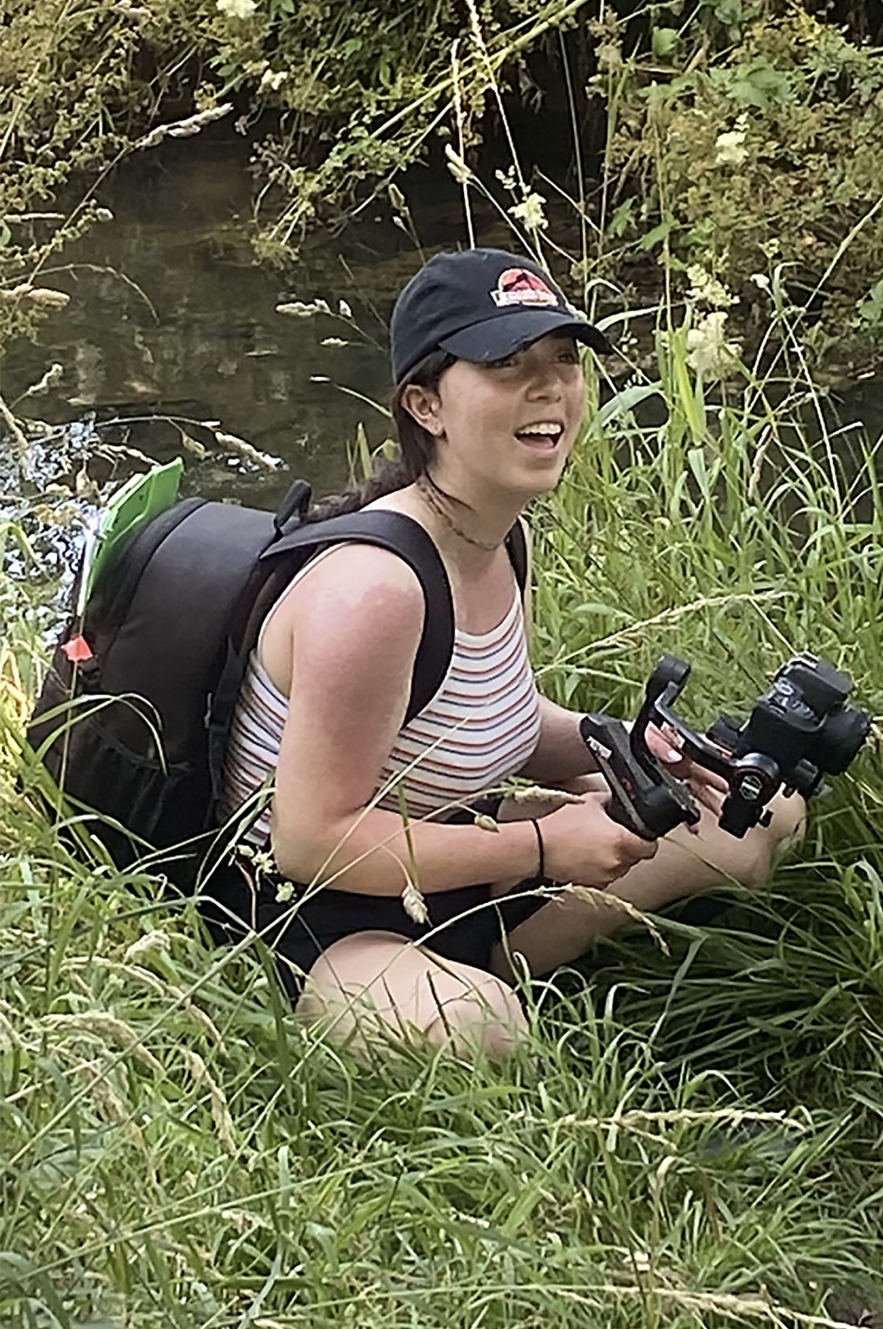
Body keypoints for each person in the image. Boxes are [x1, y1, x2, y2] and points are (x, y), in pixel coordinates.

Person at [210, 247, 805, 1055]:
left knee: (754, 817)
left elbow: (496, 719)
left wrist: (623, 747)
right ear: (425, 405)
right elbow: (311, 839)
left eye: (563, 359)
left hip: (456, 856)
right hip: (319, 907)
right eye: (505, 365)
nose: (550, 387)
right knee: (484, 1031)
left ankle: (486, 960)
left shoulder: (497, 534)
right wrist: (543, 845)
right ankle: (459, 988)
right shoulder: (375, 590)